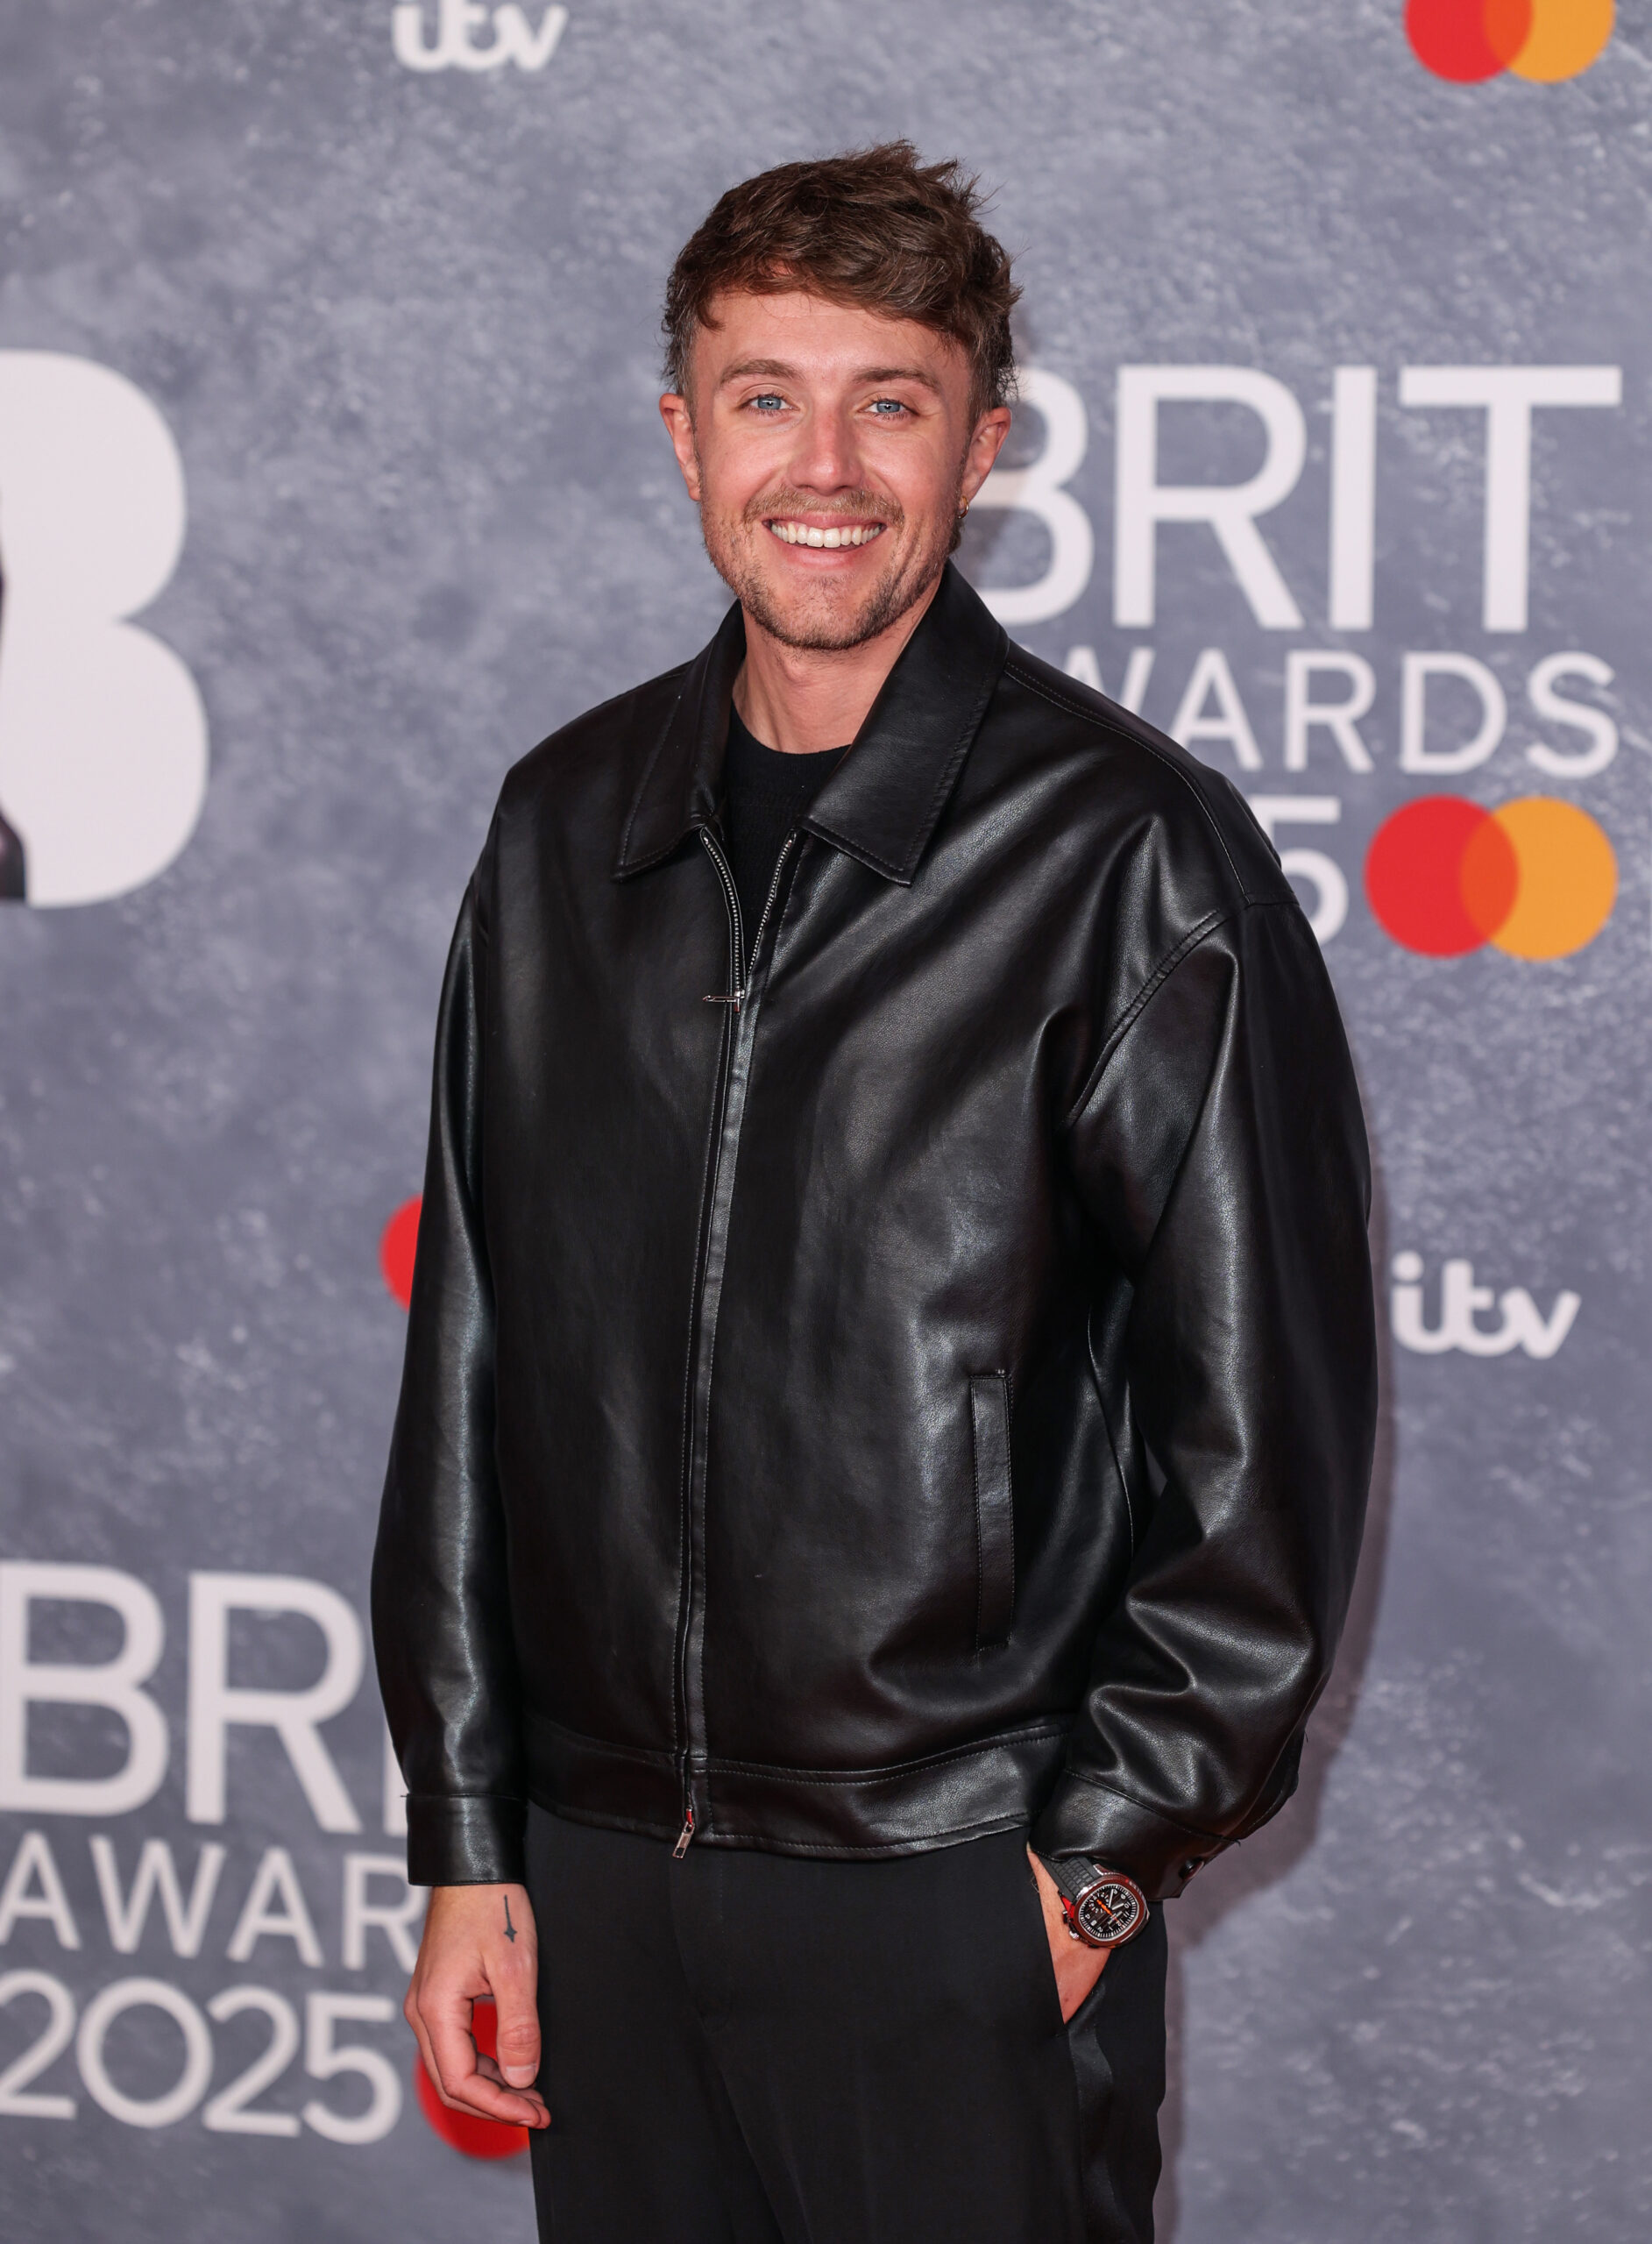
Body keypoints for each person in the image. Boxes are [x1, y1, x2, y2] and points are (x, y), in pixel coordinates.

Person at [372, 141, 1377, 2244]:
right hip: (595, 1880)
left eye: (888, 400)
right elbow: (472, 1362)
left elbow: (1263, 1446)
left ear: (978, 442)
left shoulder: (1127, 857)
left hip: (954, 1894)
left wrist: (1089, 1867)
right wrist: (471, 1837)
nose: (819, 464)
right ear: (682, 431)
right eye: (763, 394)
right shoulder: (562, 829)